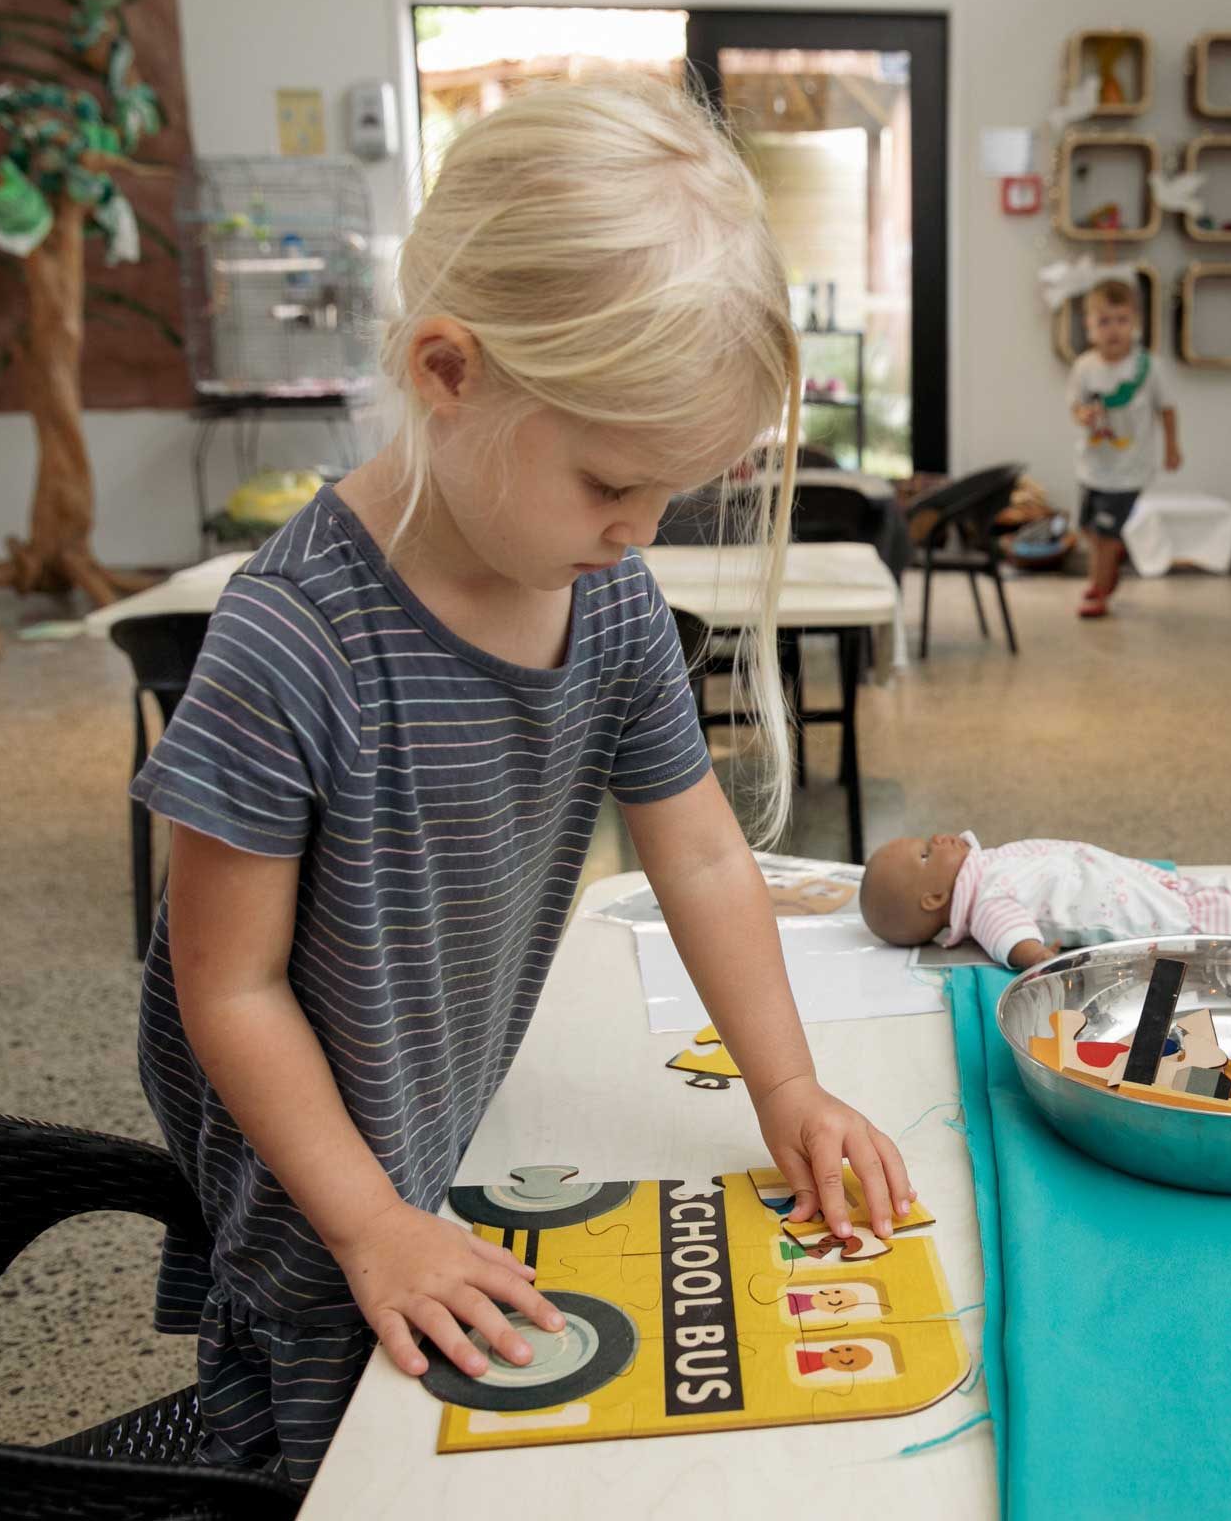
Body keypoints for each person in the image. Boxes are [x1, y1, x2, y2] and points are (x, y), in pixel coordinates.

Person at [132, 77, 909, 1485]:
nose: (637, 530)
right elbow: (224, 987)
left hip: (446, 1116)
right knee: (349, 1469)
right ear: (448, 371)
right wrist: (370, 1222)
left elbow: (703, 856)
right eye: (612, 480)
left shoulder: (601, 598)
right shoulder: (288, 637)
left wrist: (785, 1084)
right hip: (323, 1209)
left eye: (671, 493)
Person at [858, 831, 1231, 968]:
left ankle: (1183, 897)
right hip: (1103, 900)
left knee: (1135, 880)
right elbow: (1009, 937)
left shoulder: (984, 869)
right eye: (926, 853)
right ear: (935, 898)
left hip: (1094, 870)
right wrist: (1036, 955)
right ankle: (1199, 920)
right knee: (1144, 907)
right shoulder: (984, 903)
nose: (938, 838)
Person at [1067, 279, 1180, 619]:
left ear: (1135, 324)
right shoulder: (1085, 368)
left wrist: (1172, 448)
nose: (1113, 329)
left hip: (1129, 468)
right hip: (1092, 466)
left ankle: (1099, 592)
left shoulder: (1147, 368)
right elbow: (1075, 406)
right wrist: (1083, 414)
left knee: (1104, 533)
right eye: (1104, 321)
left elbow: (1167, 409)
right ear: (1089, 327)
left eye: (1121, 320)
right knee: (1090, 530)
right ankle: (1105, 570)